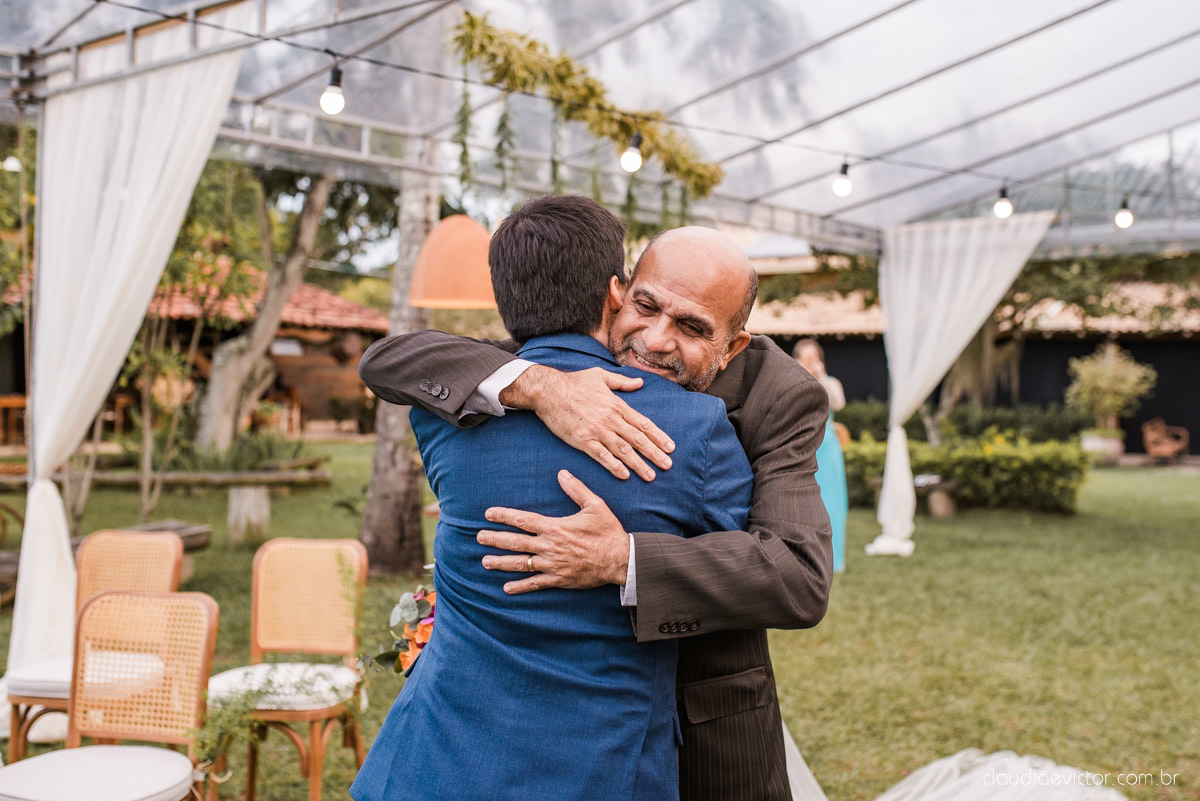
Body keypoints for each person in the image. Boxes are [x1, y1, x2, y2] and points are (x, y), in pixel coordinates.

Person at [360, 221, 834, 801]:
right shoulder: (553, 360)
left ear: (732, 346)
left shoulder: (780, 396)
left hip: (705, 714)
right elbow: (392, 359)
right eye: (646, 306)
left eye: (691, 328)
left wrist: (624, 558)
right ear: (618, 292)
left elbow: (800, 575)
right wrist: (541, 388)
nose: (656, 340)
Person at [795, 338, 848, 573]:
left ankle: (835, 559)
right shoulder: (793, 382)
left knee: (833, 501)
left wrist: (821, 377)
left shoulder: (831, 383)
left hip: (828, 446)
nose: (811, 362)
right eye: (806, 358)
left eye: (814, 357)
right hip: (803, 445)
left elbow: (838, 402)